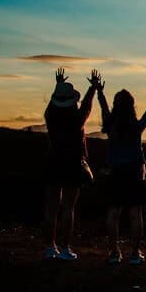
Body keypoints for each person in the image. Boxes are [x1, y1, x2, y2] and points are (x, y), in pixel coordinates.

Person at [96, 73, 146, 265]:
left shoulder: (110, 125)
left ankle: (114, 252)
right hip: (134, 172)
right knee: (135, 214)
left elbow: (103, 107)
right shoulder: (136, 127)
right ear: (132, 105)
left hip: (116, 172)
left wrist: (100, 92)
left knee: (114, 213)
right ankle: (135, 253)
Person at [43, 68, 100, 260]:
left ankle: (50, 247)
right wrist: (93, 87)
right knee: (68, 207)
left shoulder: (50, 115)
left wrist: (58, 85)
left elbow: (55, 104)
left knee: (51, 207)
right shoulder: (77, 119)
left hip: (53, 161)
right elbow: (87, 107)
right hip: (73, 164)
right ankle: (65, 248)